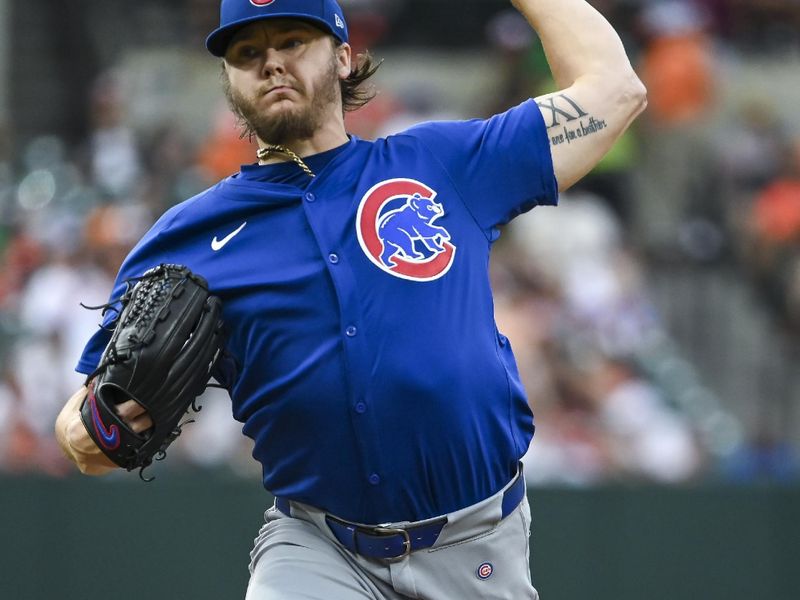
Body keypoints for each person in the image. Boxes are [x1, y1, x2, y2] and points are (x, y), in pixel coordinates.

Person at [55, 0, 646, 597]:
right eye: (248, 53)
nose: (271, 63)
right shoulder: (186, 240)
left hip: (476, 547)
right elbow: (82, 434)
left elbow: (615, 92)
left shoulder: (439, 166)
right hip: (319, 549)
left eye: (292, 42)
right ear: (229, 80)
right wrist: (98, 430)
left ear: (343, 56)